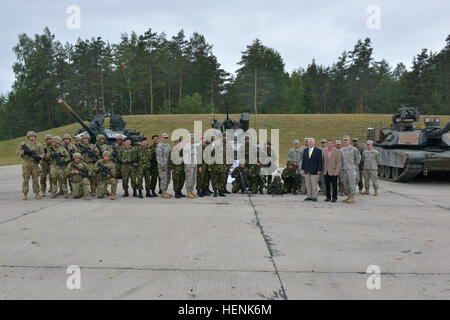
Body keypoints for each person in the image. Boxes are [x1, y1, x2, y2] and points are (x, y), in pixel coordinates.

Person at [16, 131, 44, 200]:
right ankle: (25, 194)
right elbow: (17, 151)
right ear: (28, 137)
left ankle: (37, 193)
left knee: (35, 180)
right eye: (31, 136)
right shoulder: (23, 144)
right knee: (26, 179)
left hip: (35, 164)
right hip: (26, 163)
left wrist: (40, 157)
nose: (32, 137)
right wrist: (24, 152)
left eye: (34, 136)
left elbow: (43, 153)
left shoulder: (38, 145)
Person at [340, 136, 361, 203]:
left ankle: (352, 197)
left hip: (351, 169)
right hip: (344, 169)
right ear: (343, 141)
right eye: (344, 140)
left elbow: (358, 156)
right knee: (345, 183)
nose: (346, 141)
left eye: (347, 140)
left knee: (352, 183)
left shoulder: (353, 149)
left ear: (349, 141)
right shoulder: (341, 149)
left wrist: (355, 164)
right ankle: (349, 196)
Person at [157, 133, 173, 199]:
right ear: (162, 138)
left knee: (168, 179)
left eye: (166, 138)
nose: (165, 139)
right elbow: (159, 157)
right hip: (163, 166)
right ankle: (163, 193)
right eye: (164, 138)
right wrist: (162, 166)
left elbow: (170, 155)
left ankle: (165, 191)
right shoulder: (160, 146)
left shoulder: (168, 145)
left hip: (168, 166)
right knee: (164, 179)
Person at [183, 134, 200, 199]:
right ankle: (188, 192)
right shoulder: (186, 146)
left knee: (194, 179)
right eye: (191, 138)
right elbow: (185, 157)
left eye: (193, 138)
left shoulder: (194, 146)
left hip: (194, 165)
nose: (193, 140)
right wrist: (187, 166)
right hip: (189, 165)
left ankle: (191, 191)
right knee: (189, 179)